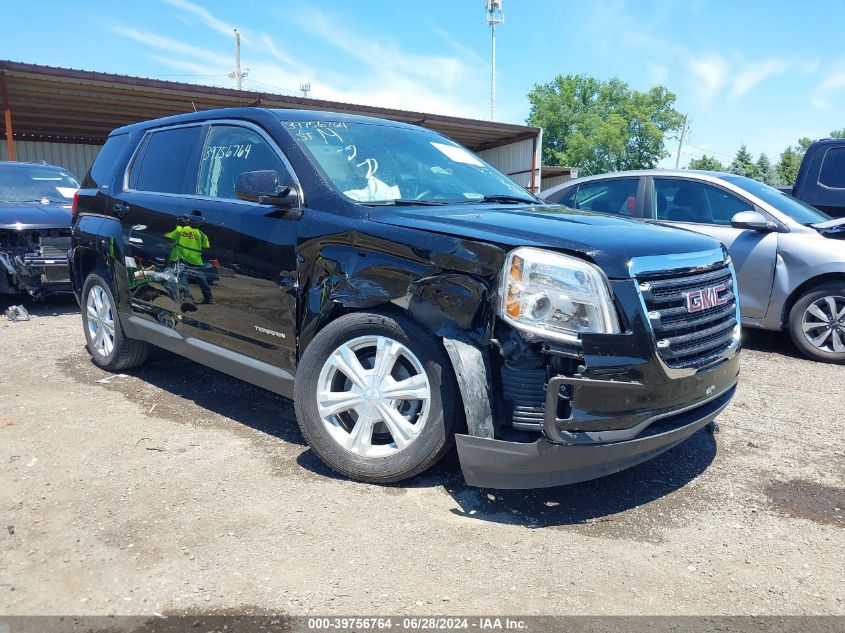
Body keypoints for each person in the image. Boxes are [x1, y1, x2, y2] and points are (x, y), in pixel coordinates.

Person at [165, 218, 213, 306]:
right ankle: (209, 297)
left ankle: (187, 297)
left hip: (181, 258)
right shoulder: (202, 235)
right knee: (201, 278)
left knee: (182, 277)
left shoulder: (181, 229)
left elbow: (168, 237)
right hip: (195, 260)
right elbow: (205, 247)